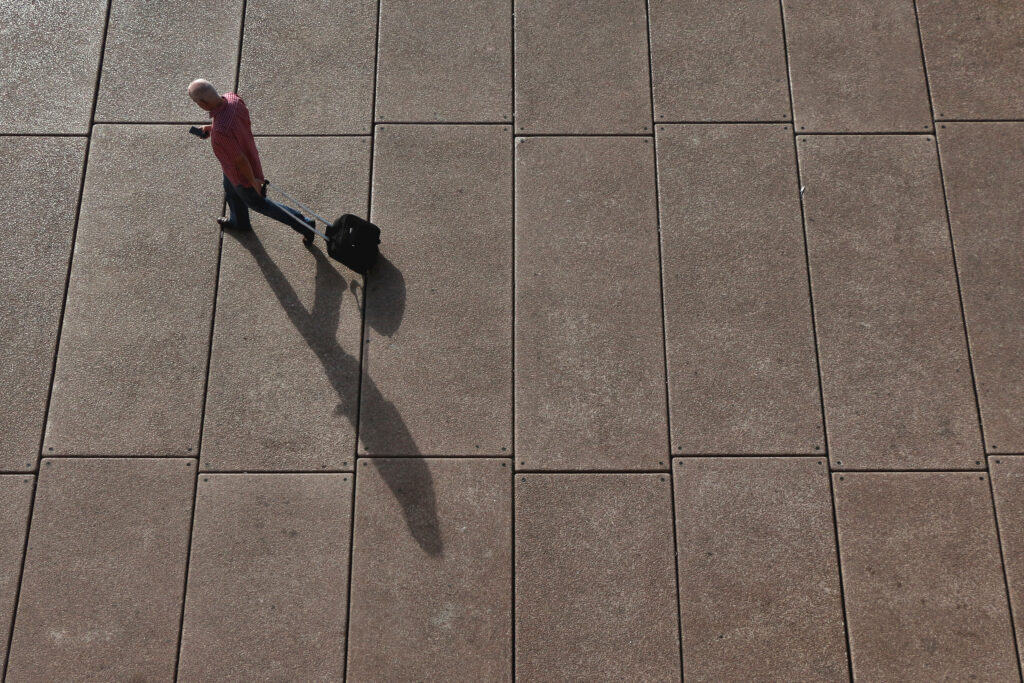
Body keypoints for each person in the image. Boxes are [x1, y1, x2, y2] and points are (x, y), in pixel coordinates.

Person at [187, 79, 316, 246]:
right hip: (235, 167)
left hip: (242, 175)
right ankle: (240, 222)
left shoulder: (220, 133)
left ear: (203, 104)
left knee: (260, 204)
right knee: (230, 190)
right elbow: (235, 126)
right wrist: (211, 127)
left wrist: (253, 181)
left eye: (195, 102)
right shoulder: (233, 100)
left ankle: (304, 224)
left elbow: (239, 160)